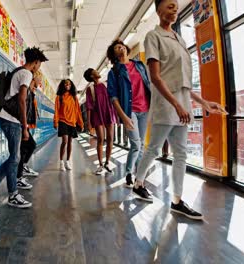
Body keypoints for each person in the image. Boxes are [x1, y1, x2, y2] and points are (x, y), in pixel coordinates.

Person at [132, 0, 227, 220]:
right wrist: (176, 104)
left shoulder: (181, 40)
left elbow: (184, 82)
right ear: (158, 11)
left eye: (176, 6)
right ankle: (138, 183)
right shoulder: (153, 37)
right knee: (154, 150)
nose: (174, 9)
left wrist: (204, 103)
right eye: (169, 6)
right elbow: (155, 77)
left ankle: (177, 201)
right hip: (167, 105)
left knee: (181, 154)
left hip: (182, 104)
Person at [0, 47, 48, 217]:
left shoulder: (18, 71)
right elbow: (21, 100)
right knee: (14, 158)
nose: (39, 67)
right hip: (13, 120)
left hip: (7, 118)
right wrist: (25, 126)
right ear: (35, 62)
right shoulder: (27, 74)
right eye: (39, 64)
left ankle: (12, 194)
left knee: (15, 158)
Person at [106, 39, 151, 188]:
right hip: (129, 111)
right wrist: (123, 117)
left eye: (122, 45)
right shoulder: (114, 72)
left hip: (145, 110)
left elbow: (148, 85)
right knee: (136, 144)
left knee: (139, 145)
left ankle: (130, 173)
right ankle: (139, 179)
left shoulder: (139, 65)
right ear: (114, 54)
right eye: (117, 48)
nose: (121, 48)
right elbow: (113, 97)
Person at [83, 68, 117, 175]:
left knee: (111, 138)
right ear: (92, 76)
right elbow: (89, 106)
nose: (97, 72)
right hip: (97, 115)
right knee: (101, 139)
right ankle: (100, 165)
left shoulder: (106, 84)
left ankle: (107, 162)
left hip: (109, 113)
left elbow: (114, 99)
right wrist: (89, 122)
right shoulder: (90, 89)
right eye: (95, 71)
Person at [53, 79, 84, 171]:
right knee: (65, 141)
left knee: (70, 142)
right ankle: (61, 161)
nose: (68, 85)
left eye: (69, 84)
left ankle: (67, 161)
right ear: (63, 85)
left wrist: (81, 123)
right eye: (66, 84)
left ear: (71, 86)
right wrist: (55, 121)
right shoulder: (59, 97)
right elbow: (57, 110)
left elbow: (78, 111)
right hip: (63, 121)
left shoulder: (74, 97)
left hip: (72, 122)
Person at [17, 76, 41, 181]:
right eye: (39, 79)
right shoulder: (26, 91)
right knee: (25, 148)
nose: (40, 81)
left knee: (26, 148)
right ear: (33, 79)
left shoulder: (31, 92)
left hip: (25, 124)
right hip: (21, 124)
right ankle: (18, 177)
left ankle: (22, 169)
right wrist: (24, 126)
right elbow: (22, 106)